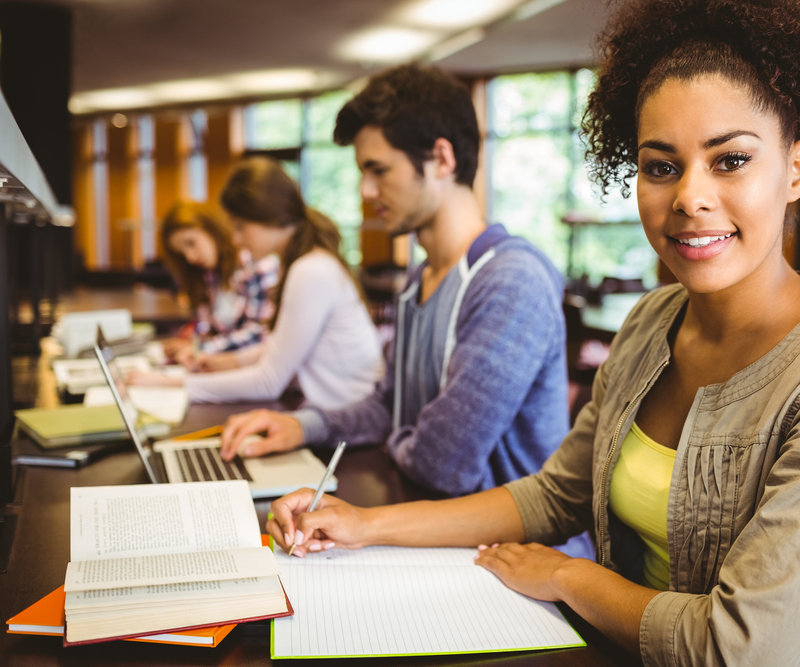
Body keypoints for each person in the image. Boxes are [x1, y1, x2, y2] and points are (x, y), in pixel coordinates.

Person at [263, 1, 800, 665]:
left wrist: (567, 575)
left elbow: (736, 647)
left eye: (730, 160)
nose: (689, 197)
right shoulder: (650, 324)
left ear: (797, 170)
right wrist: (362, 524)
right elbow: (554, 494)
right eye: (662, 166)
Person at [220, 63, 570, 498]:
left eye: (378, 170)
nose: (365, 191)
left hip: (516, 554)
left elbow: (442, 464)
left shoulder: (509, 282)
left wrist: (401, 440)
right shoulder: (419, 280)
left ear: (441, 159)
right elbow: (391, 408)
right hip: (437, 526)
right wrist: (302, 426)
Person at [133, 158, 383, 411]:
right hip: (333, 413)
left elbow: (268, 382)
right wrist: (228, 362)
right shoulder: (307, 262)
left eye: (240, 226)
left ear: (267, 215)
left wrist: (174, 384)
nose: (236, 239)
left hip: (348, 423)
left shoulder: (310, 270)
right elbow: (280, 347)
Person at [158, 200, 279, 369]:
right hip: (224, 372)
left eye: (191, 243)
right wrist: (190, 344)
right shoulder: (209, 277)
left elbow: (260, 335)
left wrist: (201, 348)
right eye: (182, 253)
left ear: (211, 229)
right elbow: (215, 330)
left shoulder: (257, 265)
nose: (190, 257)